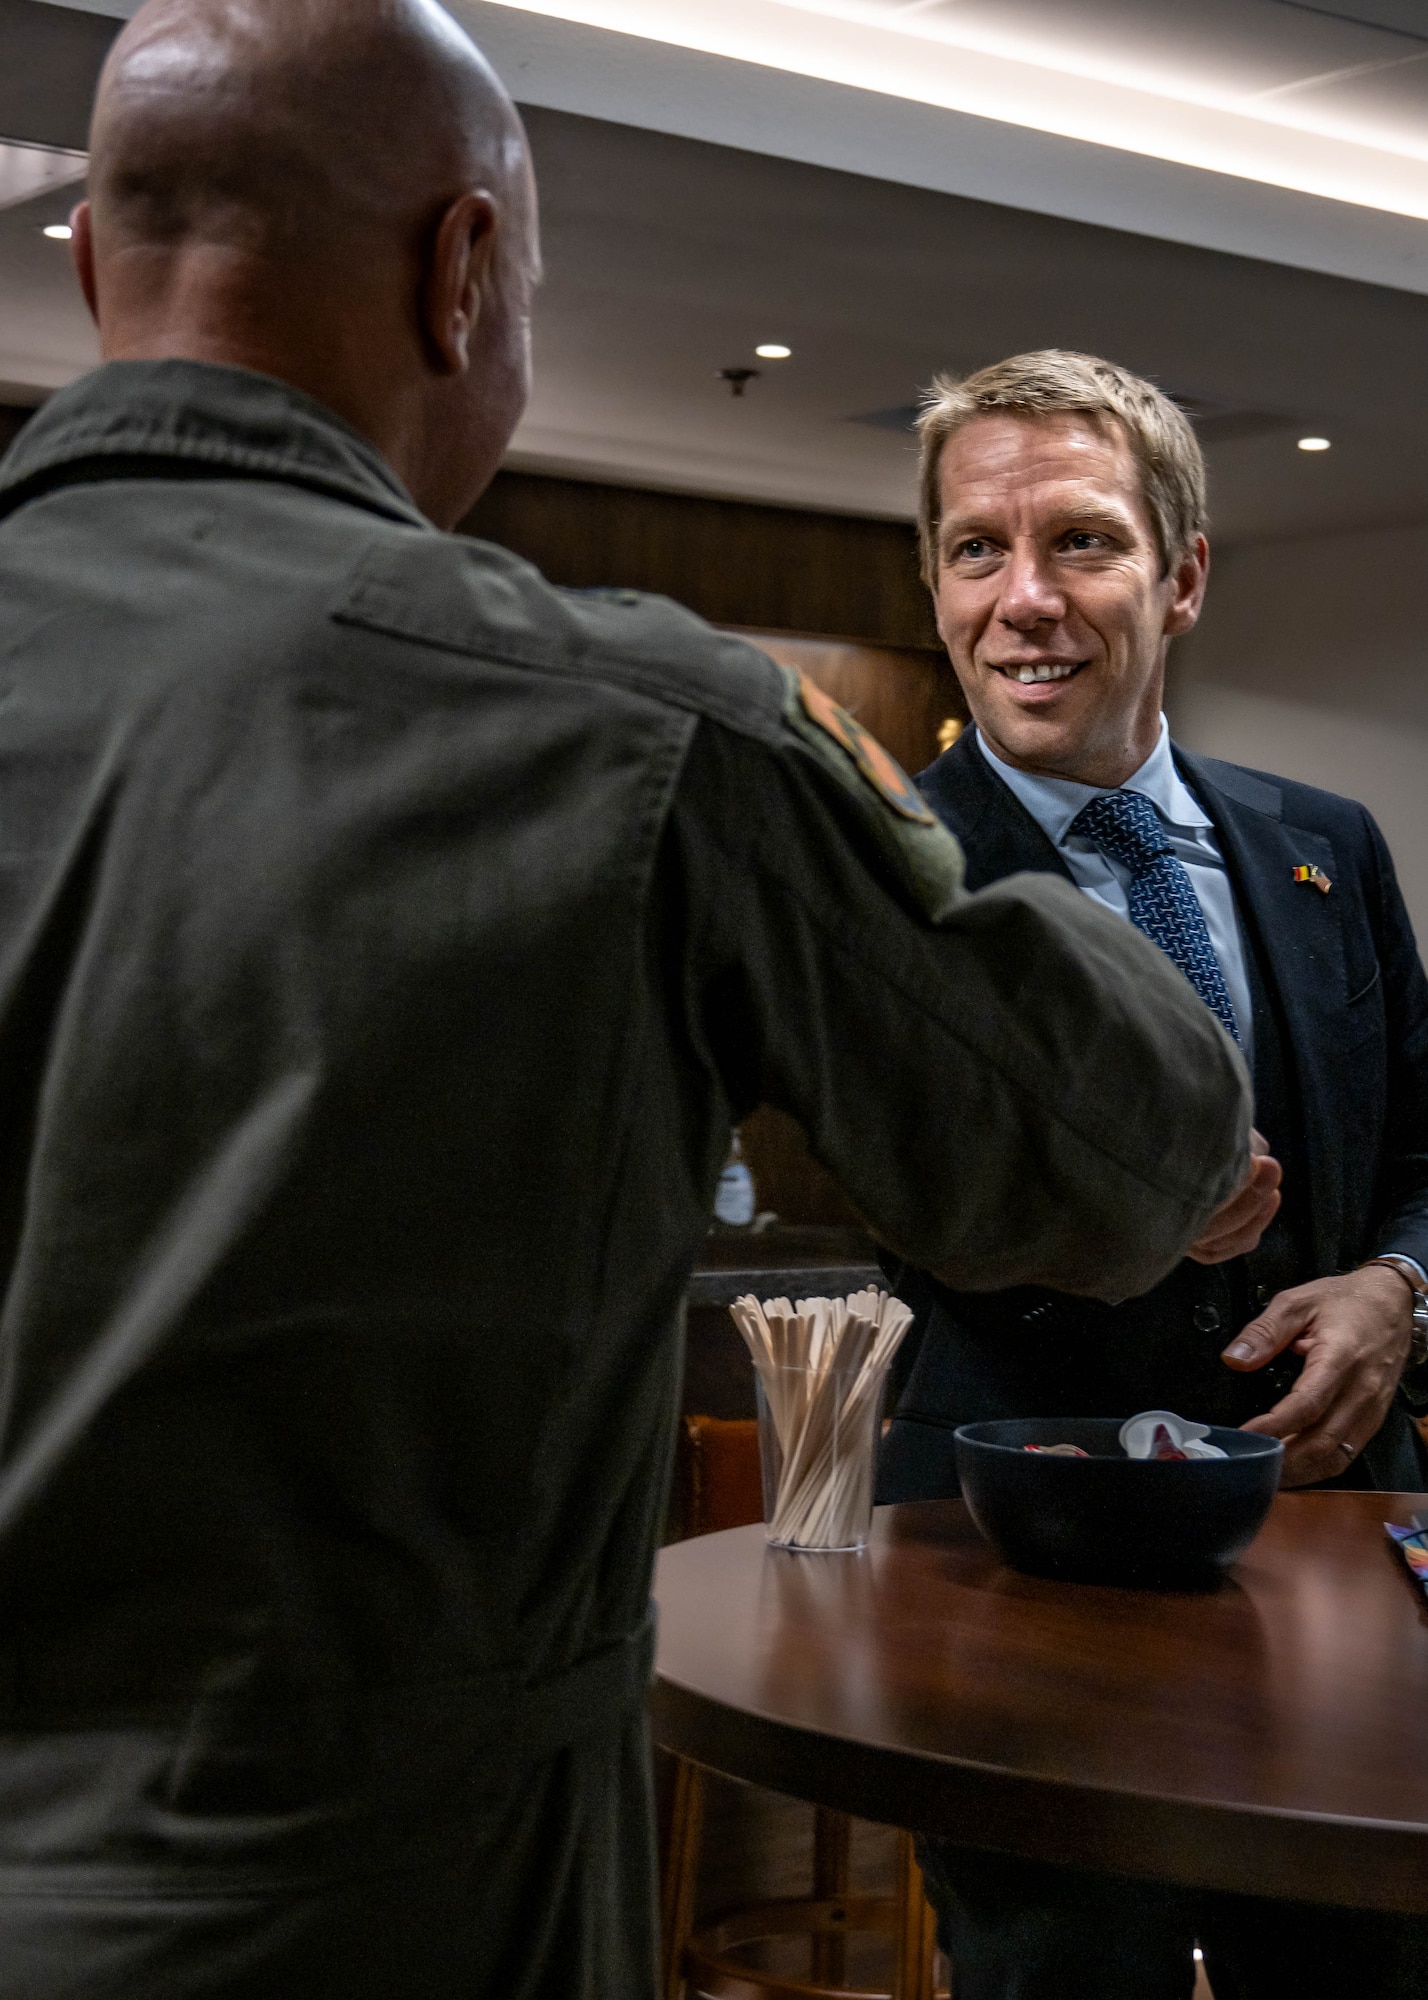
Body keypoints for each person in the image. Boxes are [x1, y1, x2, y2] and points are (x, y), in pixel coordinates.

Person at [0, 10, 1267, 1991]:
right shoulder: (628, 724)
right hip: (365, 1911)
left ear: (90, 263)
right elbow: (1117, 1139)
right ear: (465, 269)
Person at [877, 349, 1428, 2000]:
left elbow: (1424, 1148)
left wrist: (1401, 1290)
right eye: (977, 549)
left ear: (1182, 576)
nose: (1024, 600)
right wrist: (1111, 1229)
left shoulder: (1327, 842)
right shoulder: (871, 868)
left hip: (1335, 1547)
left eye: (1083, 544)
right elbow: (894, 1199)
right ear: (934, 581)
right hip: (1012, 1561)